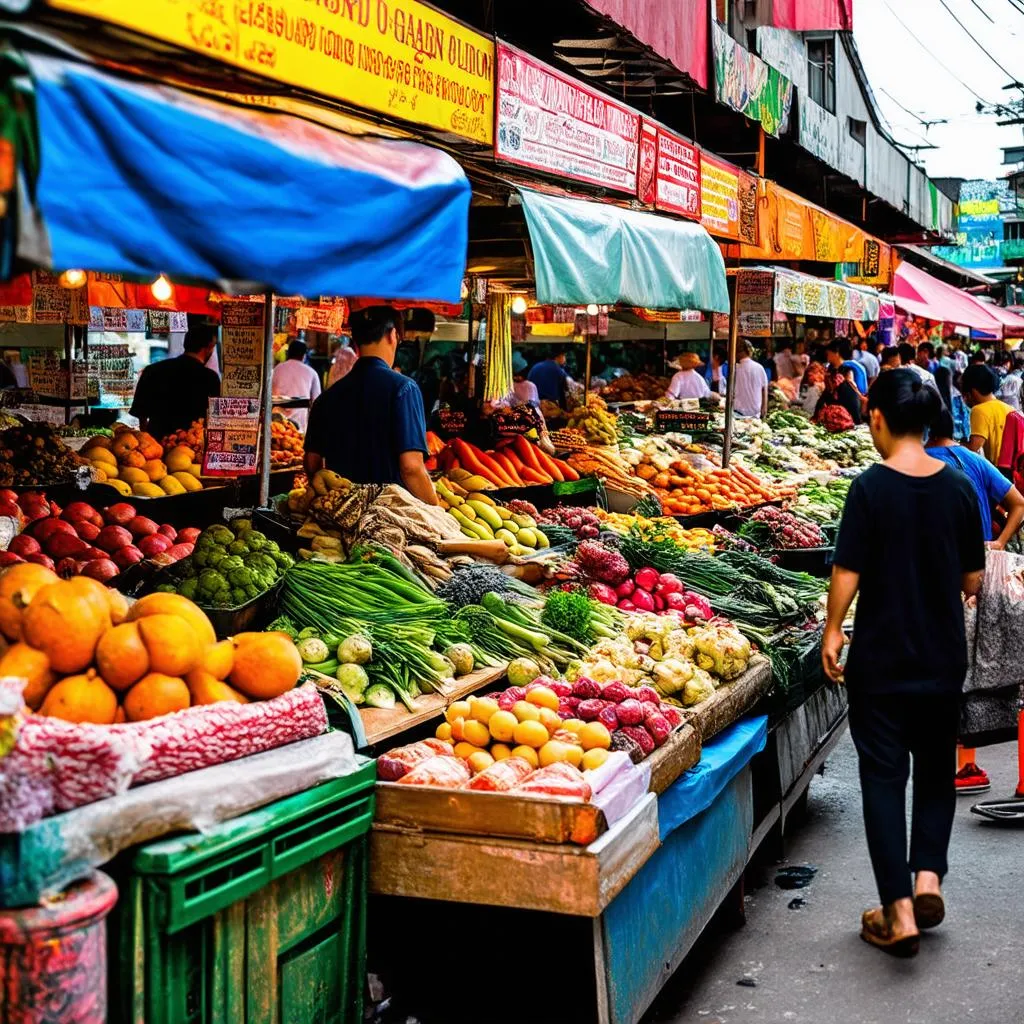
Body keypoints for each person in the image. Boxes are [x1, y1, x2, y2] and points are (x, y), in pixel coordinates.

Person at [823, 368, 985, 957]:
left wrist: (835, 630)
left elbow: (848, 570)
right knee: (937, 775)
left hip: (881, 662)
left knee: (884, 781)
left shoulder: (868, 488)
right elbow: (973, 576)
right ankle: (927, 881)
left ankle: (898, 914)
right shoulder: (961, 488)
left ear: (879, 420)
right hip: (942, 657)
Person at [304, 306, 436, 505]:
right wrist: (436, 512)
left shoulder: (328, 397)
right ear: (393, 336)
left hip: (341, 517)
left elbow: (312, 463)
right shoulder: (404, 389)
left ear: (355, 342)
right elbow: (411, 468)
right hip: (390, 517)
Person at [130, 318, 220, 438]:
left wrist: (148, 440)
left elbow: (141, 413)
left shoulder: (153, 370)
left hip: (157, 447)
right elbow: (214, 419)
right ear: (209, 347)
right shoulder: (210, 378)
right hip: (193, 447)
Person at [961, 363, 1014, 468]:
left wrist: (953, 444)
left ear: (973, 391)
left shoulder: (979, 410)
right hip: (1013, 470)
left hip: (999, 471)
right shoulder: (1009, 408)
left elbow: (973, 447)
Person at [271, 340, 321, 431]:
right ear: (304, 356)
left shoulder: (277, 369)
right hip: (299, 428)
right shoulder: (311, 372)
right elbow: (317, 403)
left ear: (288, 353)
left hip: (276, 425)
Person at [731, 340, 768, 418]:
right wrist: (764, 411)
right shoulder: (759, 367)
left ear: (740, 352)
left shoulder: (734, 369)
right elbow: (764, 389)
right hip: (755, 415)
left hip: (737, 414)